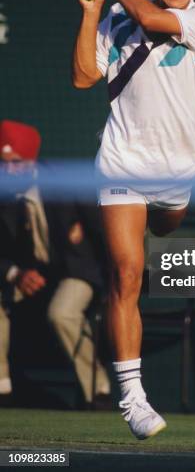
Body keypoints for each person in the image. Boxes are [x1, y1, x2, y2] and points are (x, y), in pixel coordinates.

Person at [72, 0, 195, 439]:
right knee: (127, 272)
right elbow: (82, 76)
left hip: (176, 176)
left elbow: (149, 16)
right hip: (121, 165)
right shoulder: (116, 18)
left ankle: (163, 220)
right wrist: (92, 10)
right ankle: (134, 400)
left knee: (163, 230)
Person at [0, 119, 110, 408]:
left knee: (62, 313)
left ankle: (98, 392)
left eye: (17, 162)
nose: (10, 170)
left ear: (32, 160)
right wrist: (15, 273)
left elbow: (104, 235)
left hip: (77, 272)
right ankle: (3, 390)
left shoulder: (65, 182)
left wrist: (113, 289)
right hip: (29, 276)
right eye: (3, 163)